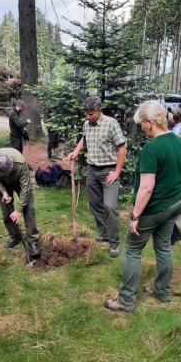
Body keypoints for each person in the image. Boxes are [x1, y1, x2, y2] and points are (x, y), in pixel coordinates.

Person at [104, 101, 181, 312]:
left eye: (141, 123)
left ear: (150, 122)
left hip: (154, 209)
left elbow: (147, 188)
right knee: (164, 246)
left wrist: (135, 216)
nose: (140, 127)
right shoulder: (177, 142)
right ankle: (162, 291)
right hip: (174, 204)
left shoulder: (151, 148)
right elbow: (175, 175)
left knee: (131, 249)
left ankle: (126, 301)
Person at [67, 95, 127, 258]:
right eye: (86, 114)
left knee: (109, 206)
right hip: (92, 171)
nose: (88, 117)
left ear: (99, 111)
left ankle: (114, 243)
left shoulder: (111, 124)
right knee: (95, 205)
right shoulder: (87, 124)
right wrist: (76, 151)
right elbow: (84, 140)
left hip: (109, 172)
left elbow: (122, 148)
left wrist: (117, 171)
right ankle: (104, 233)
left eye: (91, 114)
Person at [0, 148, 41, 258]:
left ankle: (33, 241)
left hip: (20, 183)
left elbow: (25, 188)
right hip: (3, 185)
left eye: (8, 172)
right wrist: (4, 192)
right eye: (3, 174)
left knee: (28, 210)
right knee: (6, 213)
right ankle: (15, 236)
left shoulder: (20, 163)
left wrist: (18, 210)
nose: (6, 175)